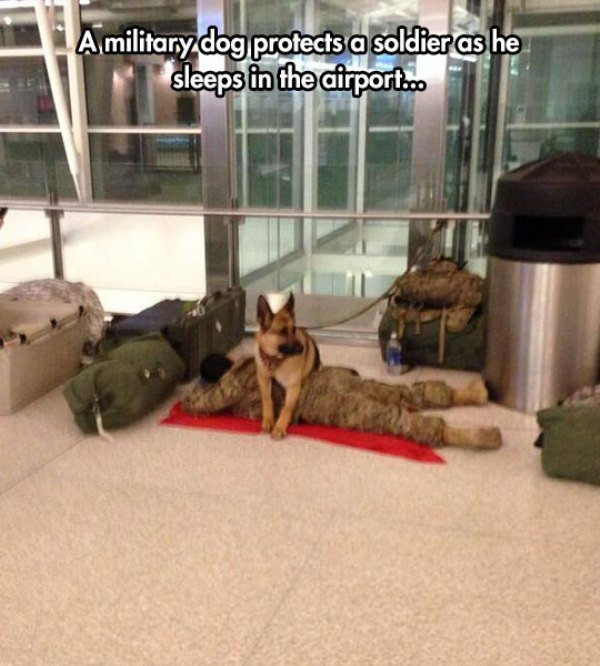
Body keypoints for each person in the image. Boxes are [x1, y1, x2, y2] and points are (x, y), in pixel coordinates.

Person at [183, 356, 502, 450]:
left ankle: (451, 435)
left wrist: (194, 391)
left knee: (384, 418)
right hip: (329, 377)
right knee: (395, 393)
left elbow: (200, 404)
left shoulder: (233, 381)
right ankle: (465, 395)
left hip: (317, 401)